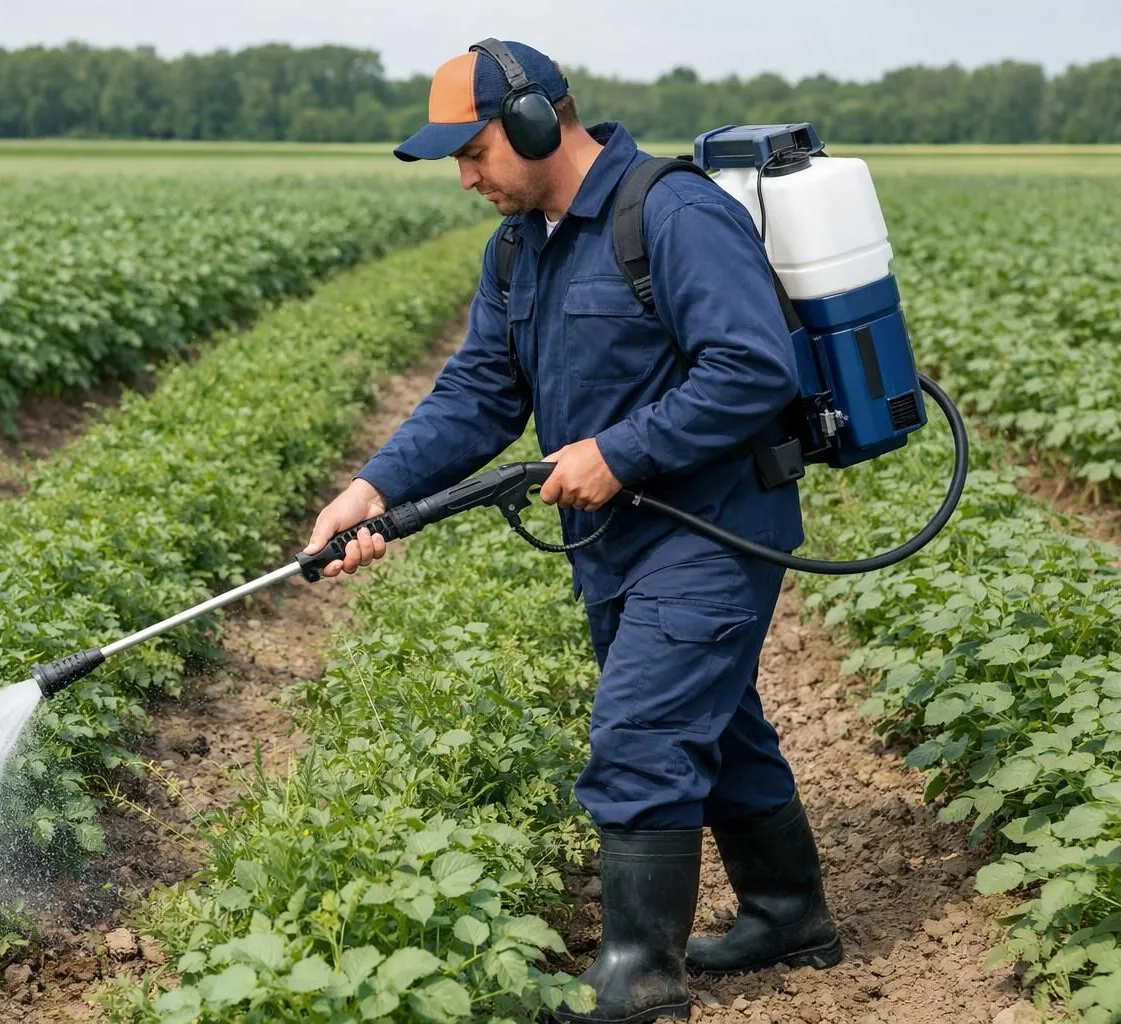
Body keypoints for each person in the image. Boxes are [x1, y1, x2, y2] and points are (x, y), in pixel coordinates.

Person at [300, 38, 842, 1023]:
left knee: (641, 732)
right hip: (618, 539)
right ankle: (788, 911)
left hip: (714, 525)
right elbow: (479, 390)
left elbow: (756, 366)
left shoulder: (672, 215)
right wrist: (373, 487)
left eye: (474, 151)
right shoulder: (520, 249)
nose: (466, 177)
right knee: (711, 719)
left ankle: (639, 981)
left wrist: (619, 450)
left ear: (542, 121)